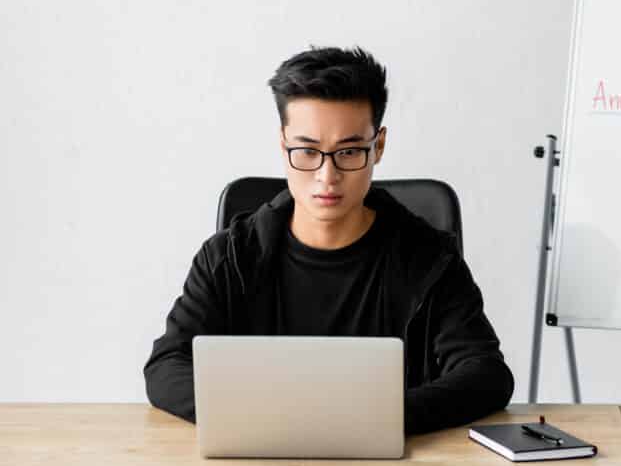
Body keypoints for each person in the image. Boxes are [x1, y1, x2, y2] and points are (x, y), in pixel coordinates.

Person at [143, 46, 514, 434]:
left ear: (379, 146)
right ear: (283, 143)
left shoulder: (430, 259)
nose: (327, 175)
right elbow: (166, 366)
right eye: (307, 151)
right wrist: (278, 419)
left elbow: (486, 375)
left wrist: (372, 419)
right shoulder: (230, 256)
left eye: (350, 151)